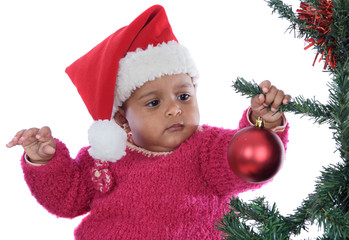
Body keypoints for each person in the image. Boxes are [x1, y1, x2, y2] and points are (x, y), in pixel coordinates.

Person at [6, 5, 290, 240]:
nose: (174, 110)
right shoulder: (106, 157)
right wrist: (45, 162)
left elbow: (242, 162)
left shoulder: (206, 148)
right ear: (121, 118)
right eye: (154, 103)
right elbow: (67, 199)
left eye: (183, 96)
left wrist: (262, 124)